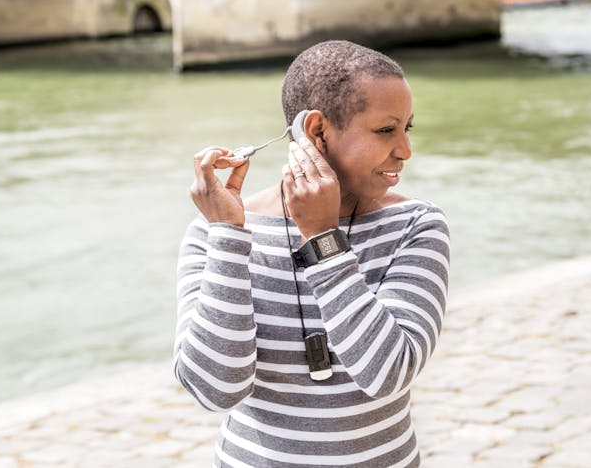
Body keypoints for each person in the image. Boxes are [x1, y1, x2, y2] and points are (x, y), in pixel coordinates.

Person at [174, 40, 450, 467]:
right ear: (317, 131)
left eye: (406, 128)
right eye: (385, 130)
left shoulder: (415, 226)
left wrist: (323, 239)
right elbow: (213, 389)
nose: (405, 150)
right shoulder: (216, 231)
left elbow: (389, 372)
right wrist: (228, 235)